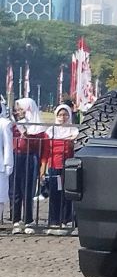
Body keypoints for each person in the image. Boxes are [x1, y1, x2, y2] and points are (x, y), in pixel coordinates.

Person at [11, 98, 44, 234]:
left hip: (30, 157)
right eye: (17, 109)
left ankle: (28, 219)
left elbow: (40, 144)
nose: (19, 112)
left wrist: (29, 135)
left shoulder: (37, 126)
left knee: (28, 189)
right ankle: (15, 220)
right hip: (16, 156)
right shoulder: (13, 125)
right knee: (15, 190)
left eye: (21, 109)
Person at [44, 104, 78, 235]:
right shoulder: (51, 131)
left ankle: (66, 219)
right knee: (54, 194)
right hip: (54, 166)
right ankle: (54, 221)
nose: (62, 118)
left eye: (65, 115)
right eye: (60, 115)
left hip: (68, 166)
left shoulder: (74, 130)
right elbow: (47, 149)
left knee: (67, 194)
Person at [0, 100, 11, 229]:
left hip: (1, 165)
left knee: (0, 196)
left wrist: (9, 163)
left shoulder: (4, 124)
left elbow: (8, 145)